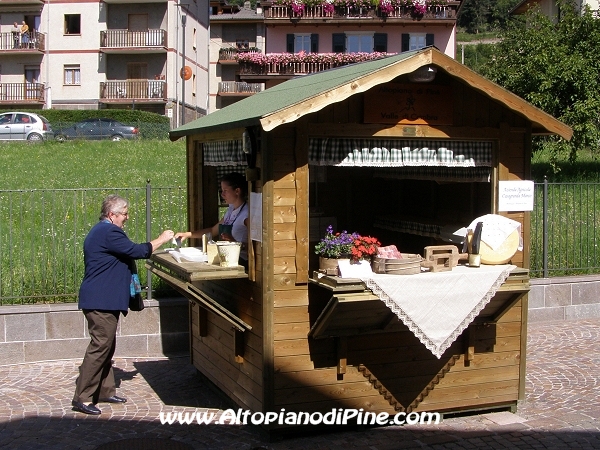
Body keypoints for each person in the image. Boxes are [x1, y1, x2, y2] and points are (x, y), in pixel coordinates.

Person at [72, 194, 174, 415]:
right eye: (124, 214)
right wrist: (161, 239)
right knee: (100, 346)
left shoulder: (101, 230)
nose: (126, 218)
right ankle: (83, 397)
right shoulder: (109, 232)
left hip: (102, 300)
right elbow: (137, 251)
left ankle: (105, 390)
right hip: (101, 301)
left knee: (106, 345)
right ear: (112, 214)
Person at [175, 172, 249, 269]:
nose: (222, 194)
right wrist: (187, 234)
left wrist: (235, 243)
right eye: (222, 190)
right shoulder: (231, 210)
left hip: (240, 262)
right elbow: (212, 231)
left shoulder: (247, 214)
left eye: (225, 190)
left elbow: (258, 245)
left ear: (237, 191)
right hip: (226, 258)